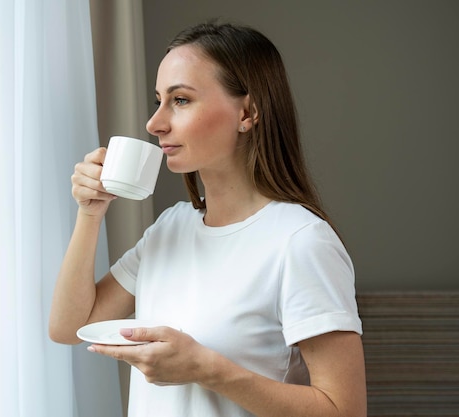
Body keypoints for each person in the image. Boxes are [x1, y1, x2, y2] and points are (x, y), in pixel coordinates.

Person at [49, 21, 366, 417]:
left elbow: (345, 410)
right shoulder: (171, 227)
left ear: (246, 113)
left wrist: (206, 369)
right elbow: (67, 327)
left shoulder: (300, 241)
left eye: (180, 100)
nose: (155, 123)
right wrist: (89, 214)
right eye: (158, 100)